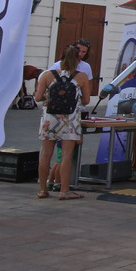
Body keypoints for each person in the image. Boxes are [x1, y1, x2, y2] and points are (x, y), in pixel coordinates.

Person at [35, 45, 92, 200]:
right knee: (66, 156)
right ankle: (64, 191)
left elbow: (38, 97)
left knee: (45, 155)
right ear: (77, 59)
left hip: (49, 118)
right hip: (70, 119)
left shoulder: (47, 75)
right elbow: (86, 100)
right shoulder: (81, 77)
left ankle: (42, 189)